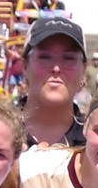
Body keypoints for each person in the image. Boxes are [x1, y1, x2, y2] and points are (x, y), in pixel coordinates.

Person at [17, 16, 89, 151]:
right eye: (45, 57)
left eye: (68, 58)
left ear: (83, 69)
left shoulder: (95, 143)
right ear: (25, 66)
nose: (56, 68)